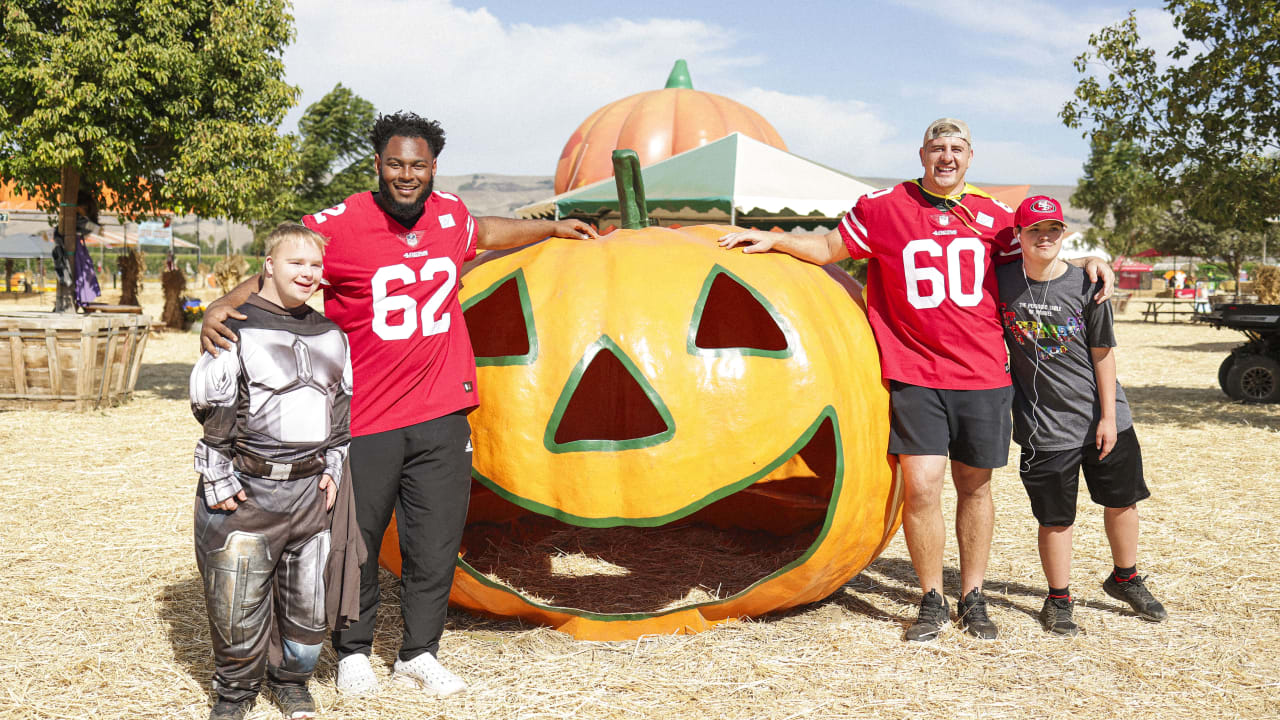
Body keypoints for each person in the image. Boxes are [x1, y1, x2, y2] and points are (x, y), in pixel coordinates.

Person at [200, 111, 598, 696]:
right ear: (378, 165)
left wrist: (552, 229)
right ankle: (354, 649)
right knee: (355, 539)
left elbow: (488, 231)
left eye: (418, 165)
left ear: (434, 167)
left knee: (434, 541)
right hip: (367, 415)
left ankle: (419, 651)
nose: (406, 175)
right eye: (395, 164)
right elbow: (285, 268)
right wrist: (222, 305)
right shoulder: (340, 225)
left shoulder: (450, 214)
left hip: (442, 412)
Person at [721, 118, 1114, 642]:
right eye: (937, 148)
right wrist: (772, 238)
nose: (947, 157)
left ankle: (972, 596)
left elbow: (1041, 257)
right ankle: (932, 596)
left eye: (957, 148)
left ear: (970, 157)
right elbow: (827, 249)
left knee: (974, 486)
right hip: (914, 371)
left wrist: (1088, 259)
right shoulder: (883, 208)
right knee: (923, 486)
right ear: (922, 154)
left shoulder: (994, 218)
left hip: (980, 373)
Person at [191, 223, 351, 720]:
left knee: (308, 614)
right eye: (295, 263)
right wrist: (217, 473)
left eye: (315, 265)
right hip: (248, 491)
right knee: (236, 609)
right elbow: (213, 406)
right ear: (269, 265)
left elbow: (340, 410)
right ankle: (234, 695)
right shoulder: (232, 326)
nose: (307, 273)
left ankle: (292, 683)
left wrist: (335, 463)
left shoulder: (331, 334)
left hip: (308, 493)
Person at [996, 196, 1167, 636]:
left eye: (1053, 229)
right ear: (1019, 236)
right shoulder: (999, 283)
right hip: (1044, 425)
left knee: (1122, 501)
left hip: (1102, 419)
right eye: (1034, 230)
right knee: (1055, 518)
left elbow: (1103, 355)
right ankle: (1058, 599)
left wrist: (1108, 418)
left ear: (1063, 233)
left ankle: (1125, 577)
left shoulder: (1087, 285)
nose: (1044, 237)